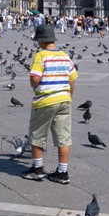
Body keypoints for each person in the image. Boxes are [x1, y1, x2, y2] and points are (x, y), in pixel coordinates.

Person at [22, 24, 79, 183]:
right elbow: (72, 79)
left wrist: (36, 89)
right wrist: (69, 96)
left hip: (45, 101)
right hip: (64, 100)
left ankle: (38, 169)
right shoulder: (65, 55)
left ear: (40, 41)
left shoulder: (41, 56)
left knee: (37, 135)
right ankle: (62, 173)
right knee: (64, 137)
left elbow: (34, 77)